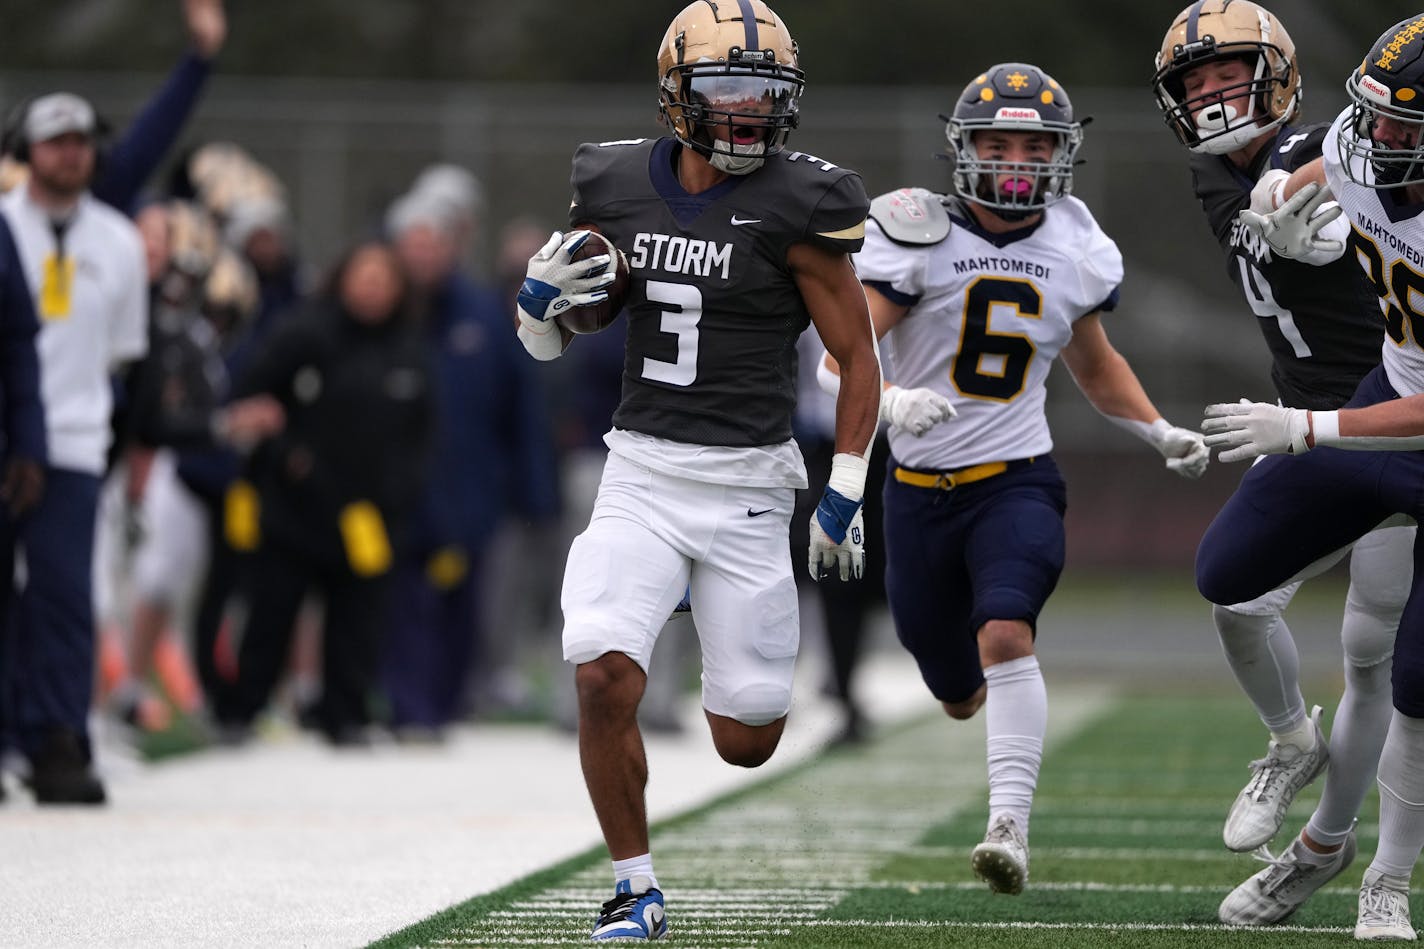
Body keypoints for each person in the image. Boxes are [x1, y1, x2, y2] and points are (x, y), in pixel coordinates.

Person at [513, 0, 881, 939]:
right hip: (642, 469)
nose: (748, 112)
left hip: (752, 484)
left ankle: (683, 593)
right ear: (679, 92)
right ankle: (635, 888)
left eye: (766, 93)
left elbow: (858, 355)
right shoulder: (613, 181)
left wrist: (843, 487)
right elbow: (593, 315)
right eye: (728, 90)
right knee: (601, 674)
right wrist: (543, 314)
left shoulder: (805, 201)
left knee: (748, 739)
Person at [819, 62, 1209, 897]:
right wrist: (889, 401)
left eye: (1035, 146)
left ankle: (1009, 826)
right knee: (955, 690)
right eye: (998, 144)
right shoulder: (915, 233)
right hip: (917, 496)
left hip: (1017, 481)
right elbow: (831, 364)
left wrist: (1158, 430)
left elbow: (1096, 369)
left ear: (1061, 154)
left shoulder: (1073, 243)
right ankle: (976, 719)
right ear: (963, 150)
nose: (1017, 162)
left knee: (1005, 633)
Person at [1151, 0, 1411, 925]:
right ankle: (1290, 740)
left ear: (1279, 71)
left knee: (1377, 655)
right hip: (1300, 414)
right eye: (1196, 81)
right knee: (1233, 594)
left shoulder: (1337, 141)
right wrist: (1283, 196)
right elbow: (1269, 203)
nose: (1214, 92)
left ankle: (1343, 857)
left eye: (1230, 72)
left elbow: (1344, 166)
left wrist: (1316, 196)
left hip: (1385, 411)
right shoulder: (1215, 174)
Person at [213, 240, 434, 746]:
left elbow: (423, 431)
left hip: (368, 515)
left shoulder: (408, 347)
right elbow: (253, 397)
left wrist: (400, 492)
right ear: (343, 277)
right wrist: (287, 455)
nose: (373, 288)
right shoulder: (304, 331)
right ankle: (240, 710)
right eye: (365, 276)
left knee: (358, 620)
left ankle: (345, 715)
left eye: (384, 280)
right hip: (297, 507)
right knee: (272, 613)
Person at [0, 92, 148, 804]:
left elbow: (123, 356)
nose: (70, 153)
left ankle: (58, 737)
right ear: (26, 148)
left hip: (78, 442)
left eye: (82, 140)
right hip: (6, 435)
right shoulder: (4, 226)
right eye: (55, 140)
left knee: (65, 596)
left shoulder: (118, 240)